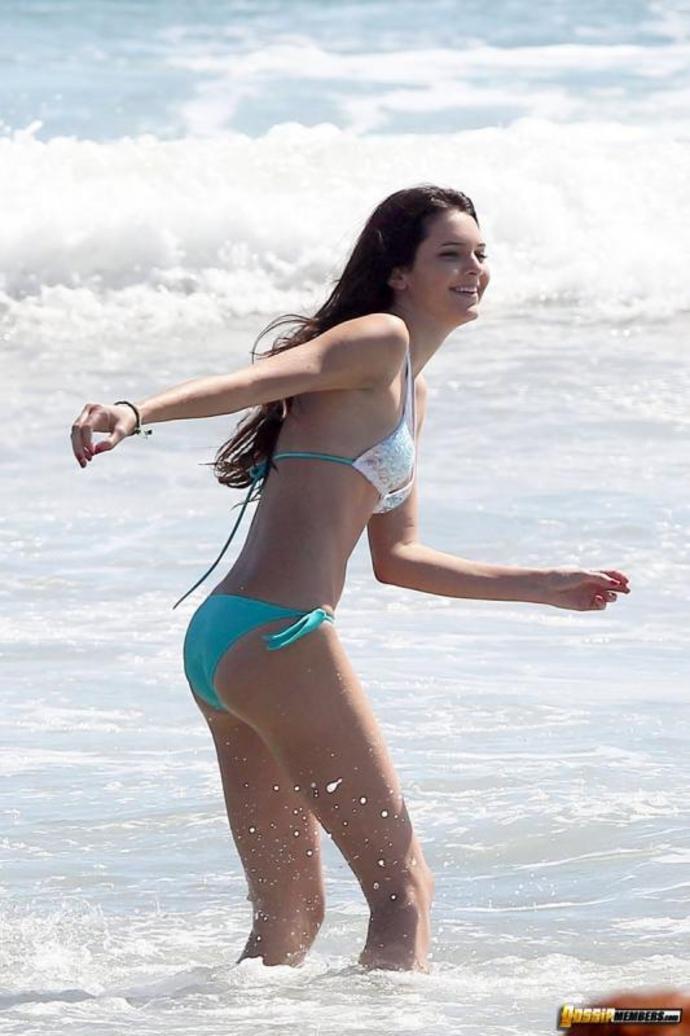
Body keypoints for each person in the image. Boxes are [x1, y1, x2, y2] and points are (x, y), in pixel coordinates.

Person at [70, 185, 631, 973]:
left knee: (290, 915)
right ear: (398, 272)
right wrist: (136, 412)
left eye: (480, 253)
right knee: (404, 890)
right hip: (280, 636)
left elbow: (399, 558)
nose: (474, 269)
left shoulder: (411, 392)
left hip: (228, 641)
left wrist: (544, 583)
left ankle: (223, 1023)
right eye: (450, 254)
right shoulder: (380, 340)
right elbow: (261, 379)